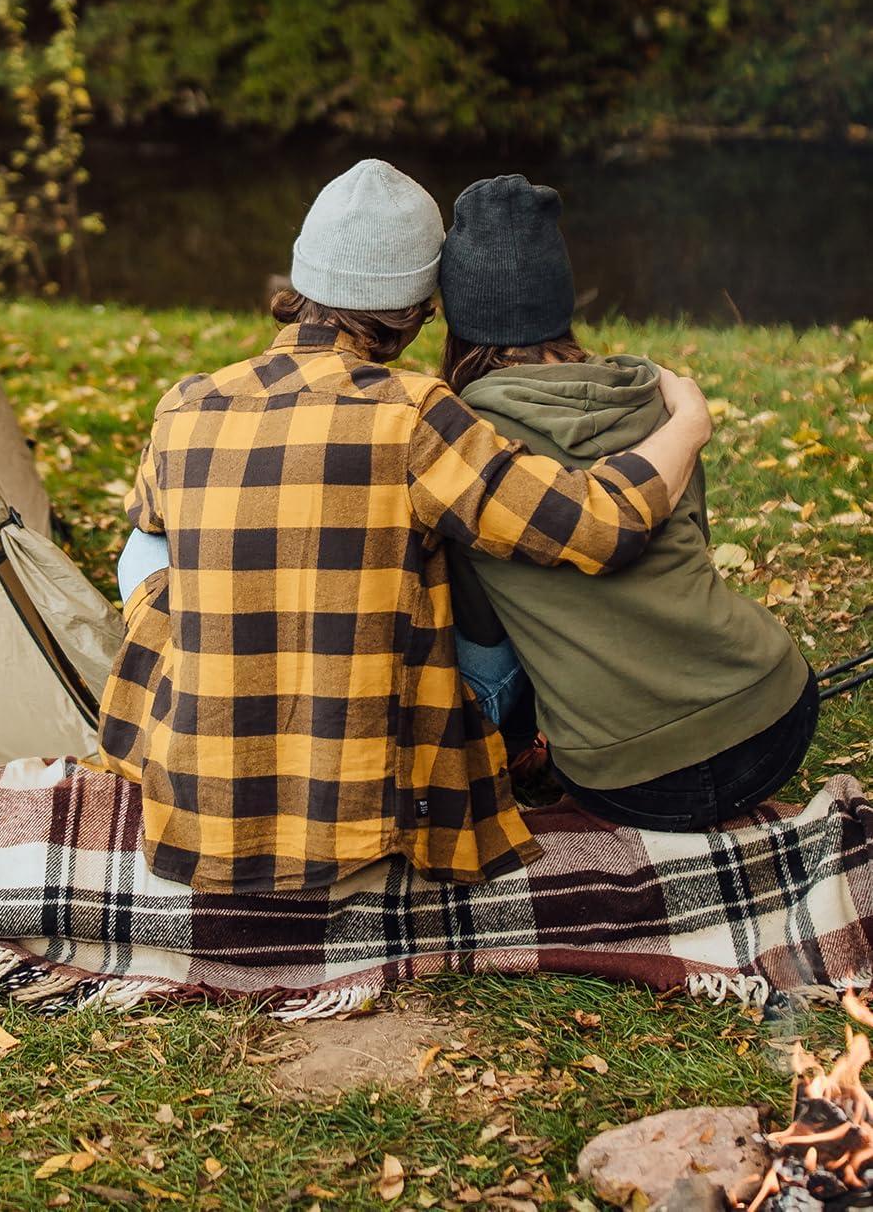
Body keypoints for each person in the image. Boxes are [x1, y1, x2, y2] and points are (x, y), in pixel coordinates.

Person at [98, 159, 714, 893]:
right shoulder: (415, 411)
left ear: (301, 285)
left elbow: (155, 540)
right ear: (419, 309)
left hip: (202, 813)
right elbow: (599, 526)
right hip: (360, 816)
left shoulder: (185, 404)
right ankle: (524, 750)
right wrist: (689, 425)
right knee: (501, 564)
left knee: (150, 545)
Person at [438, 173, 817, 831]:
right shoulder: (653, 396)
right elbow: (693, 541)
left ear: (456, 315)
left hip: (624, 780)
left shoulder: (465, 443)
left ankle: (511, 759)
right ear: (559, 297)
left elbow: (483, 627)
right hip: (772, 716)